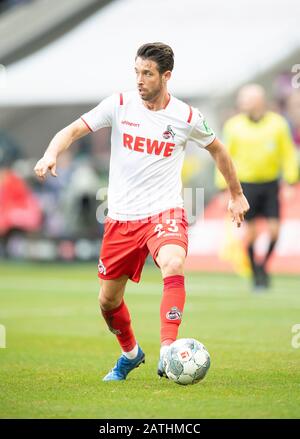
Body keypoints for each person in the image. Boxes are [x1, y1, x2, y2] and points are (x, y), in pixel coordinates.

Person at [34, 42, 249, 381]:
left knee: (173, 262)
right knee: (107, 302)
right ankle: (131, 354)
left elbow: (218, 151)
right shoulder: (119, 104)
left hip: (164, 212)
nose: (139, 80)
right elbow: (72, 130)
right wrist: (51, 154)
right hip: (120, 218)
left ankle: (168, 350)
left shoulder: (187, 117)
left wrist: (236, 194)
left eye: (147, 73)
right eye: (136, 72)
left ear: (166, 76)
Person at [216, 84, 298, 290]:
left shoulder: (278, 124)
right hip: (245, 186)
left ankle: (262, 266)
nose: (242, 103)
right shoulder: (233, 126)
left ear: (259, 101)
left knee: (274, 231)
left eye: (246, 99)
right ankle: (256, 272)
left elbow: (287, 153)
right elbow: (223, 157)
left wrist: (290, 180)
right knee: (250, 233)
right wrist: (223, 187)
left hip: (270, 184)